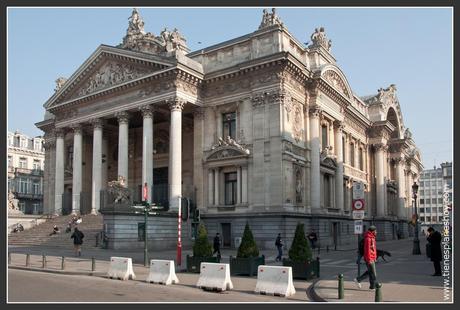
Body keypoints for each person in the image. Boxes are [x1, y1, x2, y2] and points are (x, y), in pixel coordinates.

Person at [354, 225, 379, 290]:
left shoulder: (372, 238)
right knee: (373, 274)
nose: (376, 232)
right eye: (375, 231)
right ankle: (358, 280)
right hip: (369, 258)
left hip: (372, 258)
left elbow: (374, 249)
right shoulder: (368, 238)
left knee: (370, 272)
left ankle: (371, 286)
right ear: (372, 231)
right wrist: (369, 259)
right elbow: (367, 250)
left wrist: (375, 257)